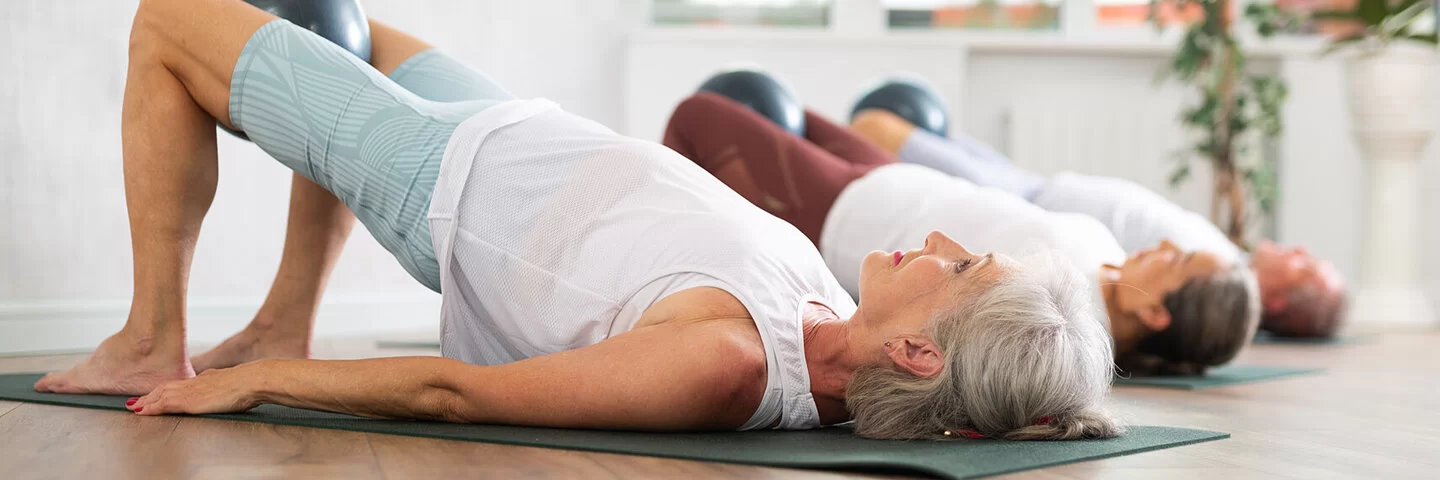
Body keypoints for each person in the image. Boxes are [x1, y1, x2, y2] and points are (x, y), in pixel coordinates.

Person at [33, 0, 1121, 441]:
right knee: (343, 20)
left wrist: (263, 385)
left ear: (918, 348)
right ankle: (280, 315)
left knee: (169, 20)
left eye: (961, 263)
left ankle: (149, 331)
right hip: (509, 126)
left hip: (441, 182)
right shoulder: (831, 322)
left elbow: (456, 391)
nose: (935, 241)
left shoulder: (729, 365)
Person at [664, 91, 1261, 376]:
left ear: (1157, 313)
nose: (1162, 245)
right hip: (900, 179)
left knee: (701, 116)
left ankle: (664, 269)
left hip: (851, 214)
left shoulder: (1054, 315)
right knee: (786, 106)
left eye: (1176, 261)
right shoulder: (1106, 266)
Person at [851, 108, 1347, 338]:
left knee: (877, 128)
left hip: (1015, 200)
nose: (1300, 247)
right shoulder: (1220, 259)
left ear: (1276, 300)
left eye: (1306, 266)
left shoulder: (1209, 278)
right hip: (1031, 189)